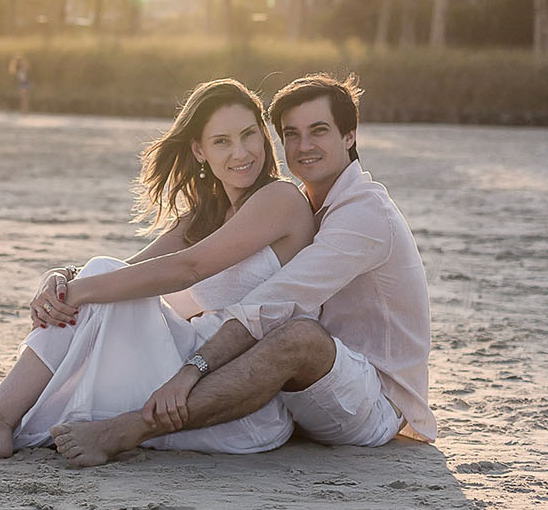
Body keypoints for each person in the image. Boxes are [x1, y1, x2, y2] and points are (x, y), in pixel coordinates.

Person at [0, 79, 314, 458]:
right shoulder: (205, 214)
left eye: (249, 135)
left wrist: (81, 288)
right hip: (179, 373)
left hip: (231, 403)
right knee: (94, 295)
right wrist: (63, 278)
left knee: (88, 309)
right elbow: (132, 271)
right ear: (199, 150)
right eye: (222, 141)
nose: (241, 152)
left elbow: (186, 269)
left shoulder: (281, 199)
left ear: (264, 137)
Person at [51, 72, 437, 467]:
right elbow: (151, 271)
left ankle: (128, 429)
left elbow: (274, 302)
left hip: (374, 402)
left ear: (349, 136)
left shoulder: (364, 213)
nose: (304, 146)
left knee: (299, 335)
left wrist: (192, 370)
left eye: (319, 131)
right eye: (291, 134)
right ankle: (45, 401)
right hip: (312, 386)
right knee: (259, 333)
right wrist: (72, 278)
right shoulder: (308, 205)